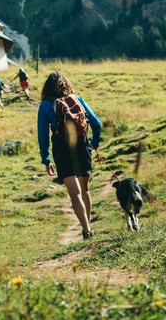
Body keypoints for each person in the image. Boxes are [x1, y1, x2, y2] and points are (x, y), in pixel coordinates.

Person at [37, 72, 101, 239]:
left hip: (61, 148)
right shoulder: (77, 99)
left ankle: (86, 230)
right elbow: (96, 123)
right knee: (85, 189)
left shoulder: (45, 106)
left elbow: (43, 136)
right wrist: (94, 142)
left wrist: (46, 159)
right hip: (82, 145)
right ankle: (89, 226)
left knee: (75, 192)